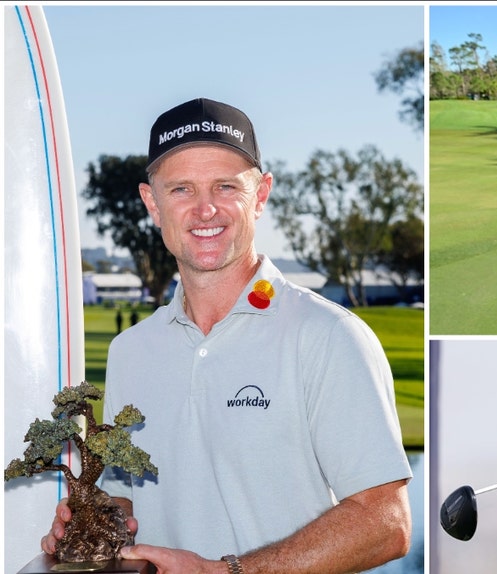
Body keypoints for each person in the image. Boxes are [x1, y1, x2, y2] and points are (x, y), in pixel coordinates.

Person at [42, 97, 412, 573]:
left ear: (260, 196)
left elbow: (387, 522)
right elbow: (126, 501)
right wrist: (88, 524)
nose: (205, 208)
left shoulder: (329, 336)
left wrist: (227, 571)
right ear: (152, 203)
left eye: (226, 186)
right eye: (180, 189)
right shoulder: (130, 351)